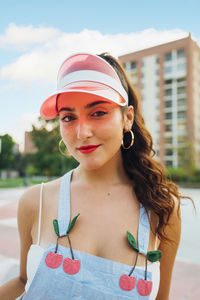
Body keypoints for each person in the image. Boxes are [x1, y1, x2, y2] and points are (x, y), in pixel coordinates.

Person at [0, 52, 192, 300]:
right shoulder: (34, 201)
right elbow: (24, 281)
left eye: (98, 112)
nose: (82, 132)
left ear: (128, 118)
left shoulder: (162, 208)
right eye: (69, 117)